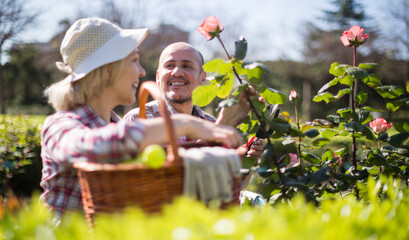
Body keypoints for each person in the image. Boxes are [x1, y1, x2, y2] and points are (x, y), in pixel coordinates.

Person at [40, 18, 242, 218]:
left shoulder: (115, 125)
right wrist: (182, 124)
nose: (141, 71)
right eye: (134, 60)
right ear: (109, 68)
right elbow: (89, 146)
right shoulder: (59, 125)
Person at [124, 42, 264, 158]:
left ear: (202, 78)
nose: (177, 72)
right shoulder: (138, 119)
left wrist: (248, 162)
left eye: (186, 66)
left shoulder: (211, 124)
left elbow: (225, 184)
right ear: (158, 77)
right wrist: (224, 122)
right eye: (169, 65)